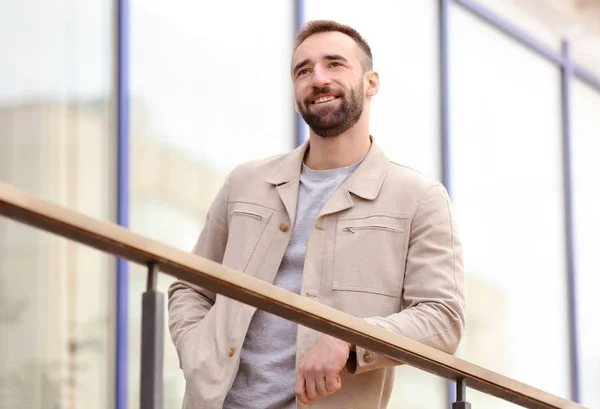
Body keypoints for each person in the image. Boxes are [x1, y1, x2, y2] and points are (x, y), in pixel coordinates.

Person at [167, 20, 466, 409]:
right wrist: (197, 352)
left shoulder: (418, 198)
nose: (317, 78)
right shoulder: (245, 183)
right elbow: (190, 287)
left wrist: (349, 339)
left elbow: (442, 318)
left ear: (371, 82)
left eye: (335, 64)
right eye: (303, 71)